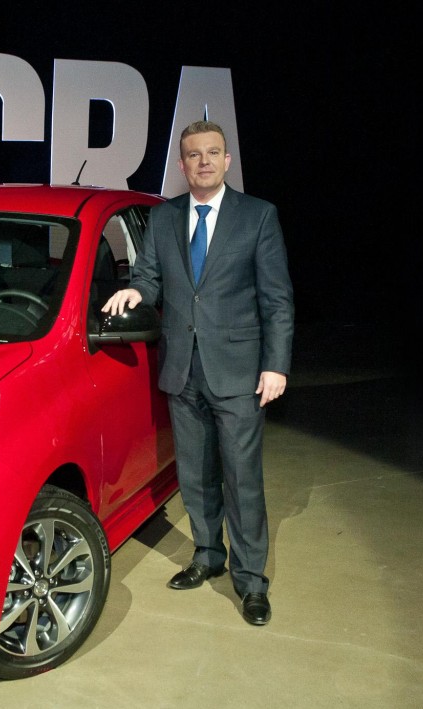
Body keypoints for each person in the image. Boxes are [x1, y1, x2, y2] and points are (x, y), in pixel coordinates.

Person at [102, 120, 294, 626]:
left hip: (239, 374)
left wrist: (276, 364)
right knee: (195, 476)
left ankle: (251, 581)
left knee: (241, 480)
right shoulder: (164, 219)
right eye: (193, 154)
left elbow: (277, 300)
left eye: (212, 153)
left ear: (227, 161)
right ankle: (209, 555)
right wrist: (137, 292)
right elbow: (149, 274)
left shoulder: (257, 217)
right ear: (182, 165)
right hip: (182, 372)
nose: (203, 161)